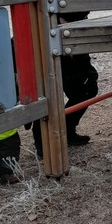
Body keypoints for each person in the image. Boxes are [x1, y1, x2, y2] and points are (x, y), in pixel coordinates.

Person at [32, 12, 99, 156]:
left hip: (67, 64)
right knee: (45, 98)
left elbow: (81, 48)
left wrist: (88, 71)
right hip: (42, 64)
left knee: (88, 89)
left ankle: (68, 129)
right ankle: (42, 140)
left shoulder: (78, 19)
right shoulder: (40, 21)